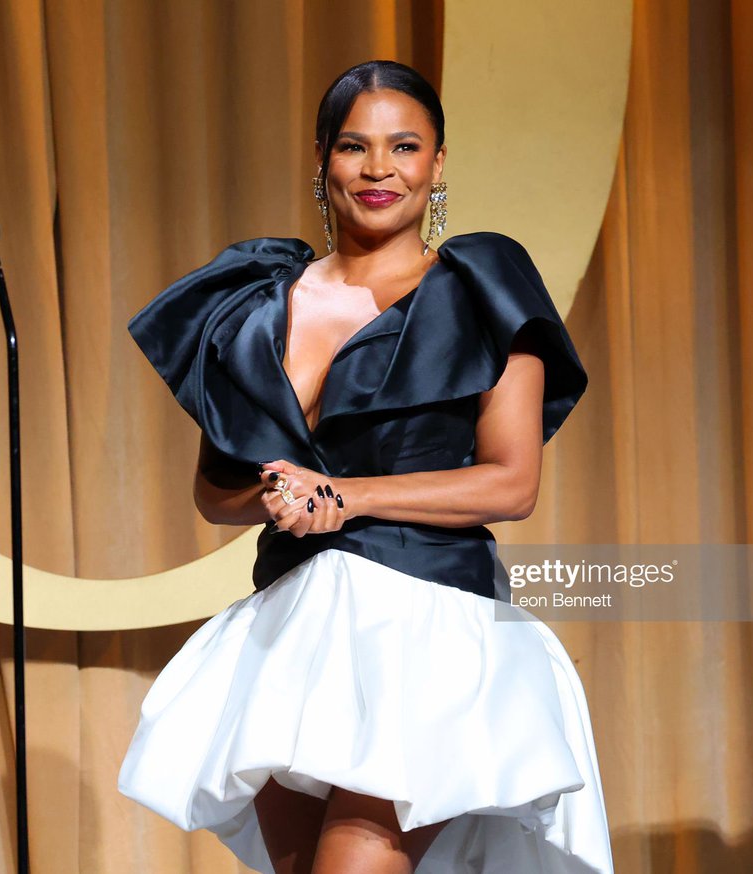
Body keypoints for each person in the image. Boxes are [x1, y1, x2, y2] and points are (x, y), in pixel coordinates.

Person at [119, 60, 614, 874]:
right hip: (293, 634)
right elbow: (216, 493)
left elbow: (510, 483)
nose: (380, 168)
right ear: (322, 159)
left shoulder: (482, 288)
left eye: (405, 146)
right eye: (355, 146)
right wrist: (279, 492)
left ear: (438, 163)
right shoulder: (252, 303)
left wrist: (343, 496)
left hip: (427, 627)